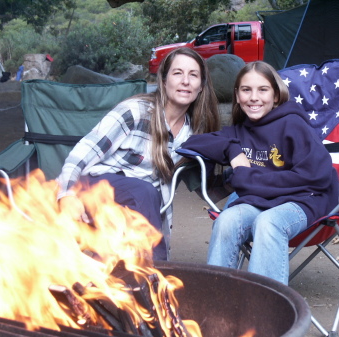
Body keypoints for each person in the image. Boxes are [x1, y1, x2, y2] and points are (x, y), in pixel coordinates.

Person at [179, 61, 339, 285]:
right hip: (261, 200)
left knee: (268, 222)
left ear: (275, 95)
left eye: (262, 90)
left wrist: (249, 178)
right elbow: (192, 142)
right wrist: (233, 151)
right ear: (237, 95)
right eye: (246, 90)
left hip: (305, 201)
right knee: (227, 219)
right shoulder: (240, 131)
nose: (254, 97)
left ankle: (264, 311)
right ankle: (215, 302)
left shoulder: (293, 124)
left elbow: (318, 176)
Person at [56, 47, 220, 261]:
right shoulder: (135, 112)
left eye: (193, 75)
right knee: (145, 191)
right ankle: (155, 274)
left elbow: (204, 187)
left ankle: (121, 277)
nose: (185, 81)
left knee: (146, 194)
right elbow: (80, 155)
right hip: (92, 189)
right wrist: (66, 194)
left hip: (135, 206)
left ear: (201, 87)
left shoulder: (191, 133)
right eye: (178, 73)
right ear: (163, 81)